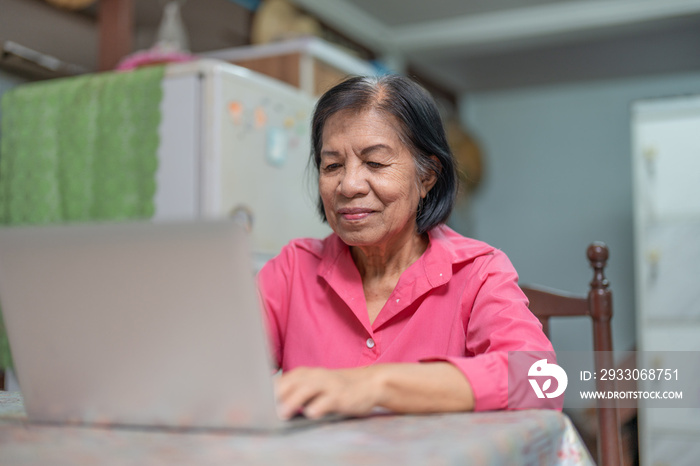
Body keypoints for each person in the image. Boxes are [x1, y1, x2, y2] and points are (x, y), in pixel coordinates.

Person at [257, 74, 556, 420]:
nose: (348, 185)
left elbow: (539, 381)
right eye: (333, 165)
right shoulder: (293, 268)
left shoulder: (478, 272)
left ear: (427, 176)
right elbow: (217, 375)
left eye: (375, 163)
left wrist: (375, 386)